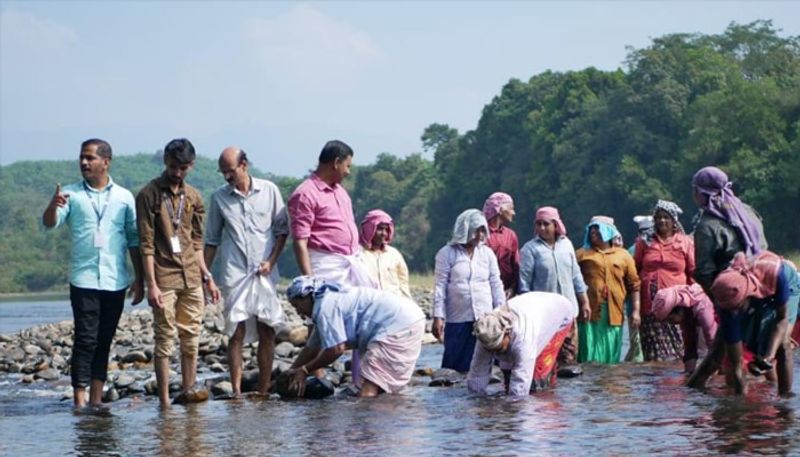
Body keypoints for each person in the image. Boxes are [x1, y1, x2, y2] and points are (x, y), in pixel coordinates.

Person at [42, 139, 144, 411]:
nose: (84, 163)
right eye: (82, 158)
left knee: (104, 340)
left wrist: (140, 278)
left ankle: (97, 400)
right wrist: (53, 205)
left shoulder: (124, 197)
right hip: (84, 279)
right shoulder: (71, 194)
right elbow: (50, 224)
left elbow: (134, 239)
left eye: (90, 158)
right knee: (86, 339)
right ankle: (79, 400)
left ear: (106, 162)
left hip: (115, 280)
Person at [136, 138, 220, 408]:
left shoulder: (194, 197)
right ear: (165, 162)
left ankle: (188, 393)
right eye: (174, 166)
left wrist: (208, 276)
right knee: (164, 339)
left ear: (191, 166)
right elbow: (145, 245)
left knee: (191, 338)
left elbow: (197, 243)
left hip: (192, 276)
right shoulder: (148, 195)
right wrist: (151, 284)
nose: (178, 172)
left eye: (183, 168)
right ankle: (163, 403)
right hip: (164, 276)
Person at [203, 147, 289, 397]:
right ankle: (237, 392)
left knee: (267, 328)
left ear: (244, 165)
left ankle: (263, 389)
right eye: (223, 172)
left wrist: (271, 261)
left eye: (230, 171)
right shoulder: (219, 198)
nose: (227, 177)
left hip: (264, 272)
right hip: (235, 272)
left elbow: (282, 230)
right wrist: (205, 277)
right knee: (236, 331)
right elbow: (211, 240)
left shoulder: (269, 190)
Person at [687, 166, 768, 391]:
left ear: (702, 193)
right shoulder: (748, 212)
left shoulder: (707, 225)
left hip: (730, 293)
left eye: (695, 191)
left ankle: (735, 413)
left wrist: (718, 300)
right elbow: (763, 248)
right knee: (748, 352)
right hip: (761, 289)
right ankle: (778, 405)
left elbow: (703, 271)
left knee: (734, 361)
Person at [284, 276, 425, 397]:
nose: (297, 312)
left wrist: (305, 370)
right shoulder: (326, 300)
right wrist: (291, 371)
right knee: (383, 387)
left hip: (397, 324)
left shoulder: (325, 308)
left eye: (296, 305)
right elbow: (311, 348)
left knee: (369, 390)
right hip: (409, 318)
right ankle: (386, 423)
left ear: (306, 298)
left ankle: (368, 426)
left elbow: (336, 349)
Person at [704, 251, 799, 396]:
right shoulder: (727, 303)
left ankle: (785, 397)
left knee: (783, 344)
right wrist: (740, 403)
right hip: (750, 287)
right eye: (732, 310)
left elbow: (781, 319)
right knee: (749, 340)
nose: (735, 313)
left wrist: (768, 357)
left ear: (746, 297)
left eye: (738, 308)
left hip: (783, 283)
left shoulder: (776, 273)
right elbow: (736, 364)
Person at [287, 139, 374, 287]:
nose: (348, 172)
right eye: (347, 166)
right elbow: (300, 241)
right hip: (327, 270)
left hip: (350, 266)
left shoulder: (341, 192)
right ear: (336, 162)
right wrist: (310, 282)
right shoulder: (305, 194)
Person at [432, 209, 505, 372]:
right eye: (476, 230)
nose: (479, 235)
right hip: (458, 318)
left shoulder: (487, 254)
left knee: (486, 365)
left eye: (482, 230)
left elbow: (495, 283)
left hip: (484, 317)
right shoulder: (446, 254)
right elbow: (440, 286)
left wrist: (501, 312)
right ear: (465, 229)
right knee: (454, 365)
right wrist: (438, 316)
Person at [467, 291, 578, 396]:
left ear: (507, 333)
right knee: (508, 375)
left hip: (559, 314)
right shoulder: (486, 331)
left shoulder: (524, 338)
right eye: (491, 350)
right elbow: (477, 373)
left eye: (498, 349)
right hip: (533, 309)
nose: (495, 353)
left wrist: (515, 409)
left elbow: (521, 384)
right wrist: (477, 404)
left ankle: (548, 407)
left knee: (536, 380)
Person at [518, 206, 589, 364]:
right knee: (546, 359)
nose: (542, 228)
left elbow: (576, 276)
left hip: (569, 312)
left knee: (569, 359)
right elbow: (524, 285)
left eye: (546, 224)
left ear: (556, 225)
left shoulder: (567, 245)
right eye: (538, 224)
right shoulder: (530, 250)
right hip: (545, 316)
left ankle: (568, 389)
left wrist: (584, 302)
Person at [633, 200, 695, 362]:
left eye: (666, 217)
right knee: (654, 355)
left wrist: (693, 301)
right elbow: (634, 271)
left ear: (674, 220)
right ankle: (657, 383)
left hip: (677, 306)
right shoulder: (644, 242)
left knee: (679, 352)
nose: (662, 221)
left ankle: (675, 385)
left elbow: (693, 273)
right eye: (659, 217)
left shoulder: (685, 242)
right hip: (650, 305)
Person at [576, 217, 641, 364]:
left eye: (597, 228)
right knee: (588, 349)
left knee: (611, 351)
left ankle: (608, 380)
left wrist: (636, 310)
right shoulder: (581, 254)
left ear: (609, 232)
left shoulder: (623, 255)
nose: (593, 231)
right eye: (591, 228)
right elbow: (573, 280)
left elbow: (634, 285)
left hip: (614, 311)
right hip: (589, 311)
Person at [651, 284, 717, 373]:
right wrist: (688, 376)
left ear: (679, 309)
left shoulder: (702, 309)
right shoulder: (686, 314)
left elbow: (714, 345)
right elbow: (689, 346)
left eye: (670, 319)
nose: (670, 323)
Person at [358, 209, 412, 299]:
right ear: (369, 229)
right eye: (379, 229)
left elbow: (403, 285)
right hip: (367, 305)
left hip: (393, 305)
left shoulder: (394, 255)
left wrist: (409, 304)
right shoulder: (357, 254)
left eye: (386, 230)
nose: (383, 233)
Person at [624, 215, 654, 362]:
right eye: (643, 231)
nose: (645, 234)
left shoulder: (656, 248)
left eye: (648, 231)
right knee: (637, 343)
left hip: (653, 305)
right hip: (634, 305)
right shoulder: (631, 251)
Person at [483, 192, 520, 298]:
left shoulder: (510, 235)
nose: (513, 212)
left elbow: (516, 266)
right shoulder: (482, 234)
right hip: (485, 292)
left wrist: (513, 289)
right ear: (500, 209)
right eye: (511, 208)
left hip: (508, 293)